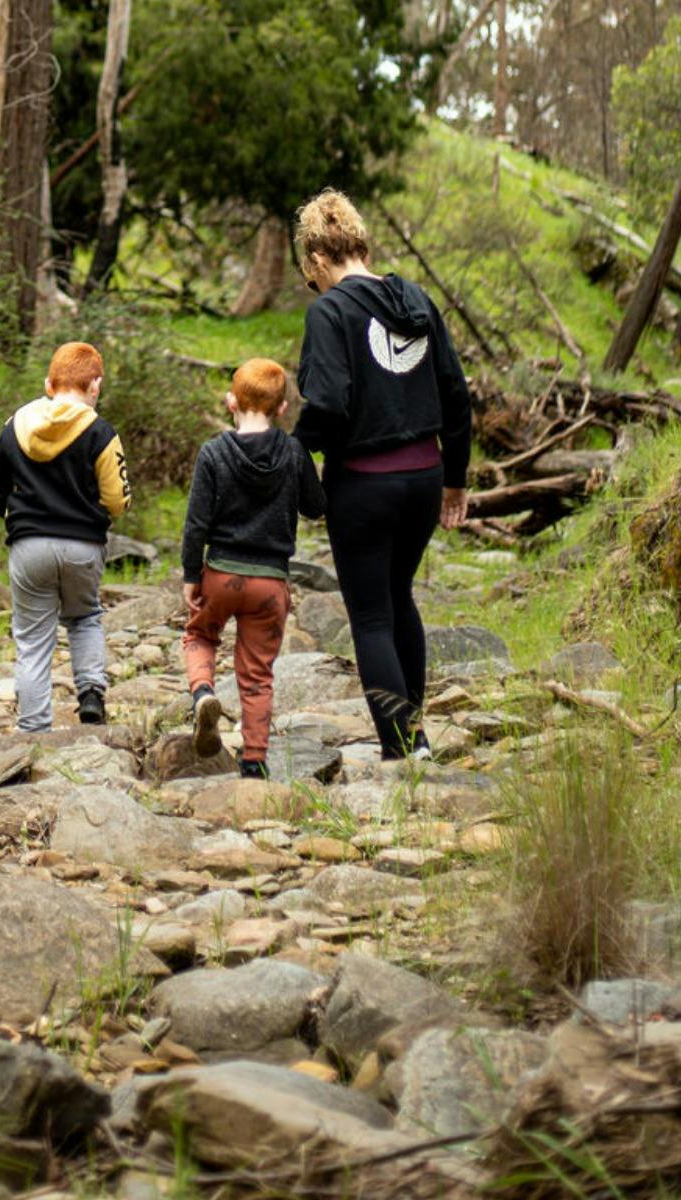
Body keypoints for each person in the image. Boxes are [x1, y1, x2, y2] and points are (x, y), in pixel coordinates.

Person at [290, 188, 471, 760]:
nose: (313, 286)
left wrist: (293, 456)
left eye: (309, 274)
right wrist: (456, 478)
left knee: (370, 616)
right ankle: (414, 732)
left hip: (364, 485)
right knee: (400, 597)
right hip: (423, 478)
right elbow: (456, 393)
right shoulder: (414, 298)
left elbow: (328, 404)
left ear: (318, 259)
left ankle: (400, 745)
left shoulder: (329, 311)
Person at [182, 359, 326, 778]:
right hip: (270, 582)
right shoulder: (293, 452)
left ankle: (204, 693)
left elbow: (196, 523)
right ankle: (255, 759)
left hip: (221, 573)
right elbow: (316, 508)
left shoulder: (213, 453)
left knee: (199, 634)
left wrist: (192, 576)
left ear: (231, 402)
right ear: (282, 409)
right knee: (257, 672)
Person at [0, 342, 131, 732]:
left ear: (49, 383)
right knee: (84, 618)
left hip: (29, 544)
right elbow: (117, 499)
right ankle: (91, 695)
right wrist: (99, 514)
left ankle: (33, 730)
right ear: (95, 385)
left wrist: (10, 513)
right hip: (83, 545)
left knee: (32, 639)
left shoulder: (15, 424)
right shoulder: (102, 432)